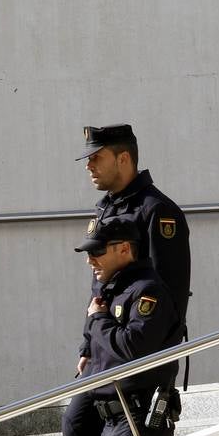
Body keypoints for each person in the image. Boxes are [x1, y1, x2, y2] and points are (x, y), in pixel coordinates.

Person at [60, 215, 181, 436]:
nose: (89, 260)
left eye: (97, 251)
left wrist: (99, 320)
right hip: (111, 422)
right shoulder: (112, 288)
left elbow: (133, 347)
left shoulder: (148, 292)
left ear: (124, 249)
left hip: (137, 417)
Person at [74, 123, 191, 383]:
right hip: (105, 346)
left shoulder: (157, 211)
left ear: (123, 159)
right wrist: (87, 343)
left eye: (96, 157)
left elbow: (171, 290)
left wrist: (158, 360)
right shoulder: (106, 208)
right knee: (74, 422)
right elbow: (99, 286)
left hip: (140, 357)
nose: (88, 166)